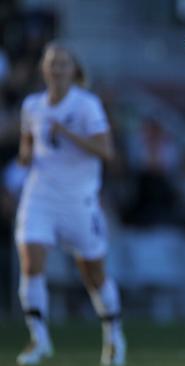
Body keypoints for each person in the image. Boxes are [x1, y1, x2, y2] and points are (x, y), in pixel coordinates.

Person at [15, 42, 125, 366]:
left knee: (93, 273)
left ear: (73, 70)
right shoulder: (32, 105)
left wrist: (68, 133)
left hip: (78, 199)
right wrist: (23, 156)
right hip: (41, 195)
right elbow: (27, 148)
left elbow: (106, 151)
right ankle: (39, 338)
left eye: (62, 63)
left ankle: (114, 336)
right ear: (43, 69)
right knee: (30, 260)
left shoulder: (86, 105)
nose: (56, 69)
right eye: (51, 63)